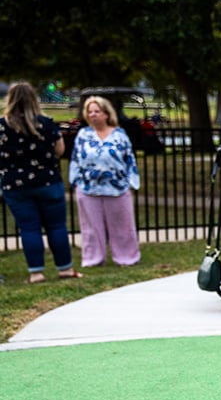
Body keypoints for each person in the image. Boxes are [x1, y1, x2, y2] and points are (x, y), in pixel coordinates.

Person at [0, 83, 81, 282]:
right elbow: (60, 150)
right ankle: (65, 269)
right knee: (56, 226)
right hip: (47, 181)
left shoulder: (2, 127)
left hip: (16, 185)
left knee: (29, 228)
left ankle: (36, 272)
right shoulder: (46, 123)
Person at [68, 96, 141, 267]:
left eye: (97, 111)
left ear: (106, 114)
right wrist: (75, 181)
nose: (93, 115)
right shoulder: (83, 135)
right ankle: (93, 259)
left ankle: (126, 258)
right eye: (90, 111)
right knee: (91, 229)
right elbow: (75, 159)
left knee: (123, 227)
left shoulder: (119, 135)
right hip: (88, 188)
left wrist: (132, 182)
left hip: (117, 187)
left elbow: (129, 159)